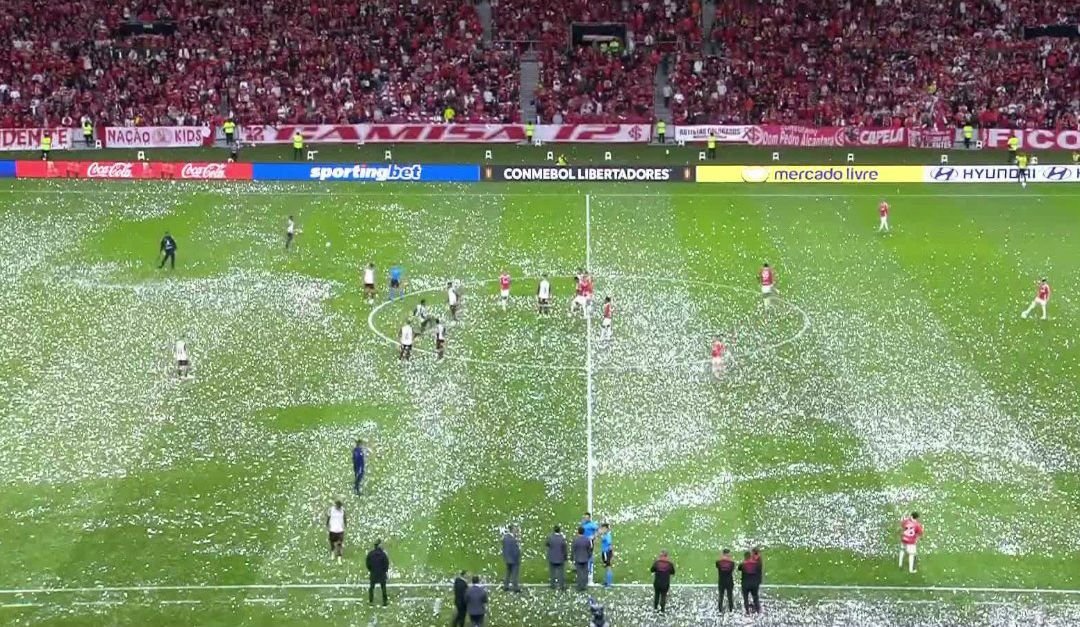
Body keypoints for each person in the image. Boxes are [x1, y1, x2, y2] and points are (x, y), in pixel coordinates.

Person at [365, 540, 389, 605]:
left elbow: (368, 564)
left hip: (373, 573)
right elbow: (386, 564)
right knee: (383, 587)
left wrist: (371, 570)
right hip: (381, 573)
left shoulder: (370, 554)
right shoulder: (383, 554)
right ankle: (385, 601)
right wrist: (384, 571)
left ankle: (371, 600)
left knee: (372, 587)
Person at [546, 525, 568, 591]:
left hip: (552, 558)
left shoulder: (550, 537)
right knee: (561, 573)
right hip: (560, 558)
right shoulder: (562, 538)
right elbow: (564, 548)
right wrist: (565, 557)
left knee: (552, 572)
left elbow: (547, 544)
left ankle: (552, 585)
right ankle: (561, 586)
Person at [501, 525, 521, 592]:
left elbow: (504, 548)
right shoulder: (513, 539)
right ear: (512, 530)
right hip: (514, 559)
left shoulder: (505, 538)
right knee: (515, 574)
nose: (516, 531)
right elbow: (515, 550)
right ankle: (515, 588)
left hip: (507, 559)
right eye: (515, 529)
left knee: (508, 573)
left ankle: (505, 586)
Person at [572, 526, 592, 591]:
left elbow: (573, 549)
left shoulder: (575, 540)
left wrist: (572, 557)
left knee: (579, 572)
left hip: (578, 558)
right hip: (585, 558)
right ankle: (584, 586)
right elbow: (589, 549)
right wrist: (589, 556)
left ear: (578, 532)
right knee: (585, 572)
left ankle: (579, 586)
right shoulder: (587, 540)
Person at [581, 512, 599, 580]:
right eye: (584, 517)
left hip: (589, 542)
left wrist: (593, 536)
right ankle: (585, 567)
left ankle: (589, 569)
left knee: (589, 555)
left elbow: (598, 530)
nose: (585, 518)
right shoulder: (583, 524)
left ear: (589, 518)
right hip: (583, 541)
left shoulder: (592, 524)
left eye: (586, 517)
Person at [716, 548, 735, 612]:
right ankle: (731, 609)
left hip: (721, 582)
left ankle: (720, 609)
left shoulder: (718, 562)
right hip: (729, 581)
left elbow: (718, 566)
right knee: (730, 596)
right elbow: (731, 569)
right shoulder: (732, 563)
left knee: (721, 595)